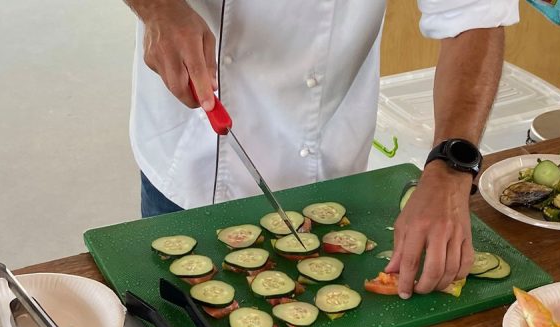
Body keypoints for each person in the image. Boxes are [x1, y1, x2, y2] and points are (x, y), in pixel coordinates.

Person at [123, 0, 517, 298]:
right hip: (189, 152)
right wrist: (158, 8)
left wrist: (451, 166)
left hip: (330, 155)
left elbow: (475, 16)